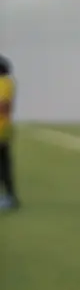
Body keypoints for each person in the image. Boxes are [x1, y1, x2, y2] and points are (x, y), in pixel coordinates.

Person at [0, 56, 16, 210]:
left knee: (3, 165)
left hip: (1, 129)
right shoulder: (7, 82)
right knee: (4, 164)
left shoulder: (4, 83)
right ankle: (9, 196)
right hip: (4, 129)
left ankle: (10, 197)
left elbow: (4, 106)